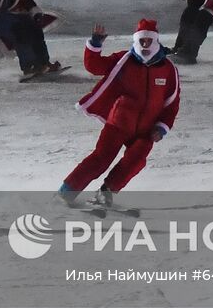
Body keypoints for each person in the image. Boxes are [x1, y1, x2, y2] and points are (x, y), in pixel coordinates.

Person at [58, 20, 181, 207]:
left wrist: (162, 127)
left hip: (147, 130)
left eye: (149, 41)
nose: (145, 45)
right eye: (142, 41)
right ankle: (66, 192)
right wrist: (95, 44)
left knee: (135, 161)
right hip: (119, 123)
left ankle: (106, 192)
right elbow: (95, 66)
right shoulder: (123, 60)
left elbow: (171, 103)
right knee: (101, 159)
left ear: (156, 41)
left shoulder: (168, 69)